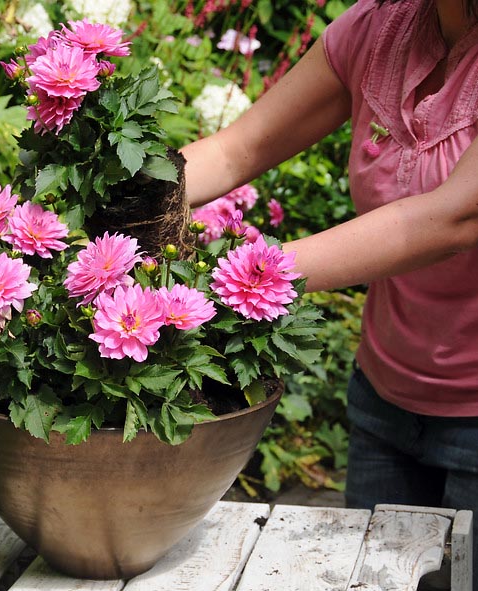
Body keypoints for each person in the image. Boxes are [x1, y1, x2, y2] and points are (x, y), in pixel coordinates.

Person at [180, 0, 478, 584]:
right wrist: (124, 195)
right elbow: (241, 148)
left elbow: (450, 220)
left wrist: (243, 275)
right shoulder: (380, 29)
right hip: (384, 401)